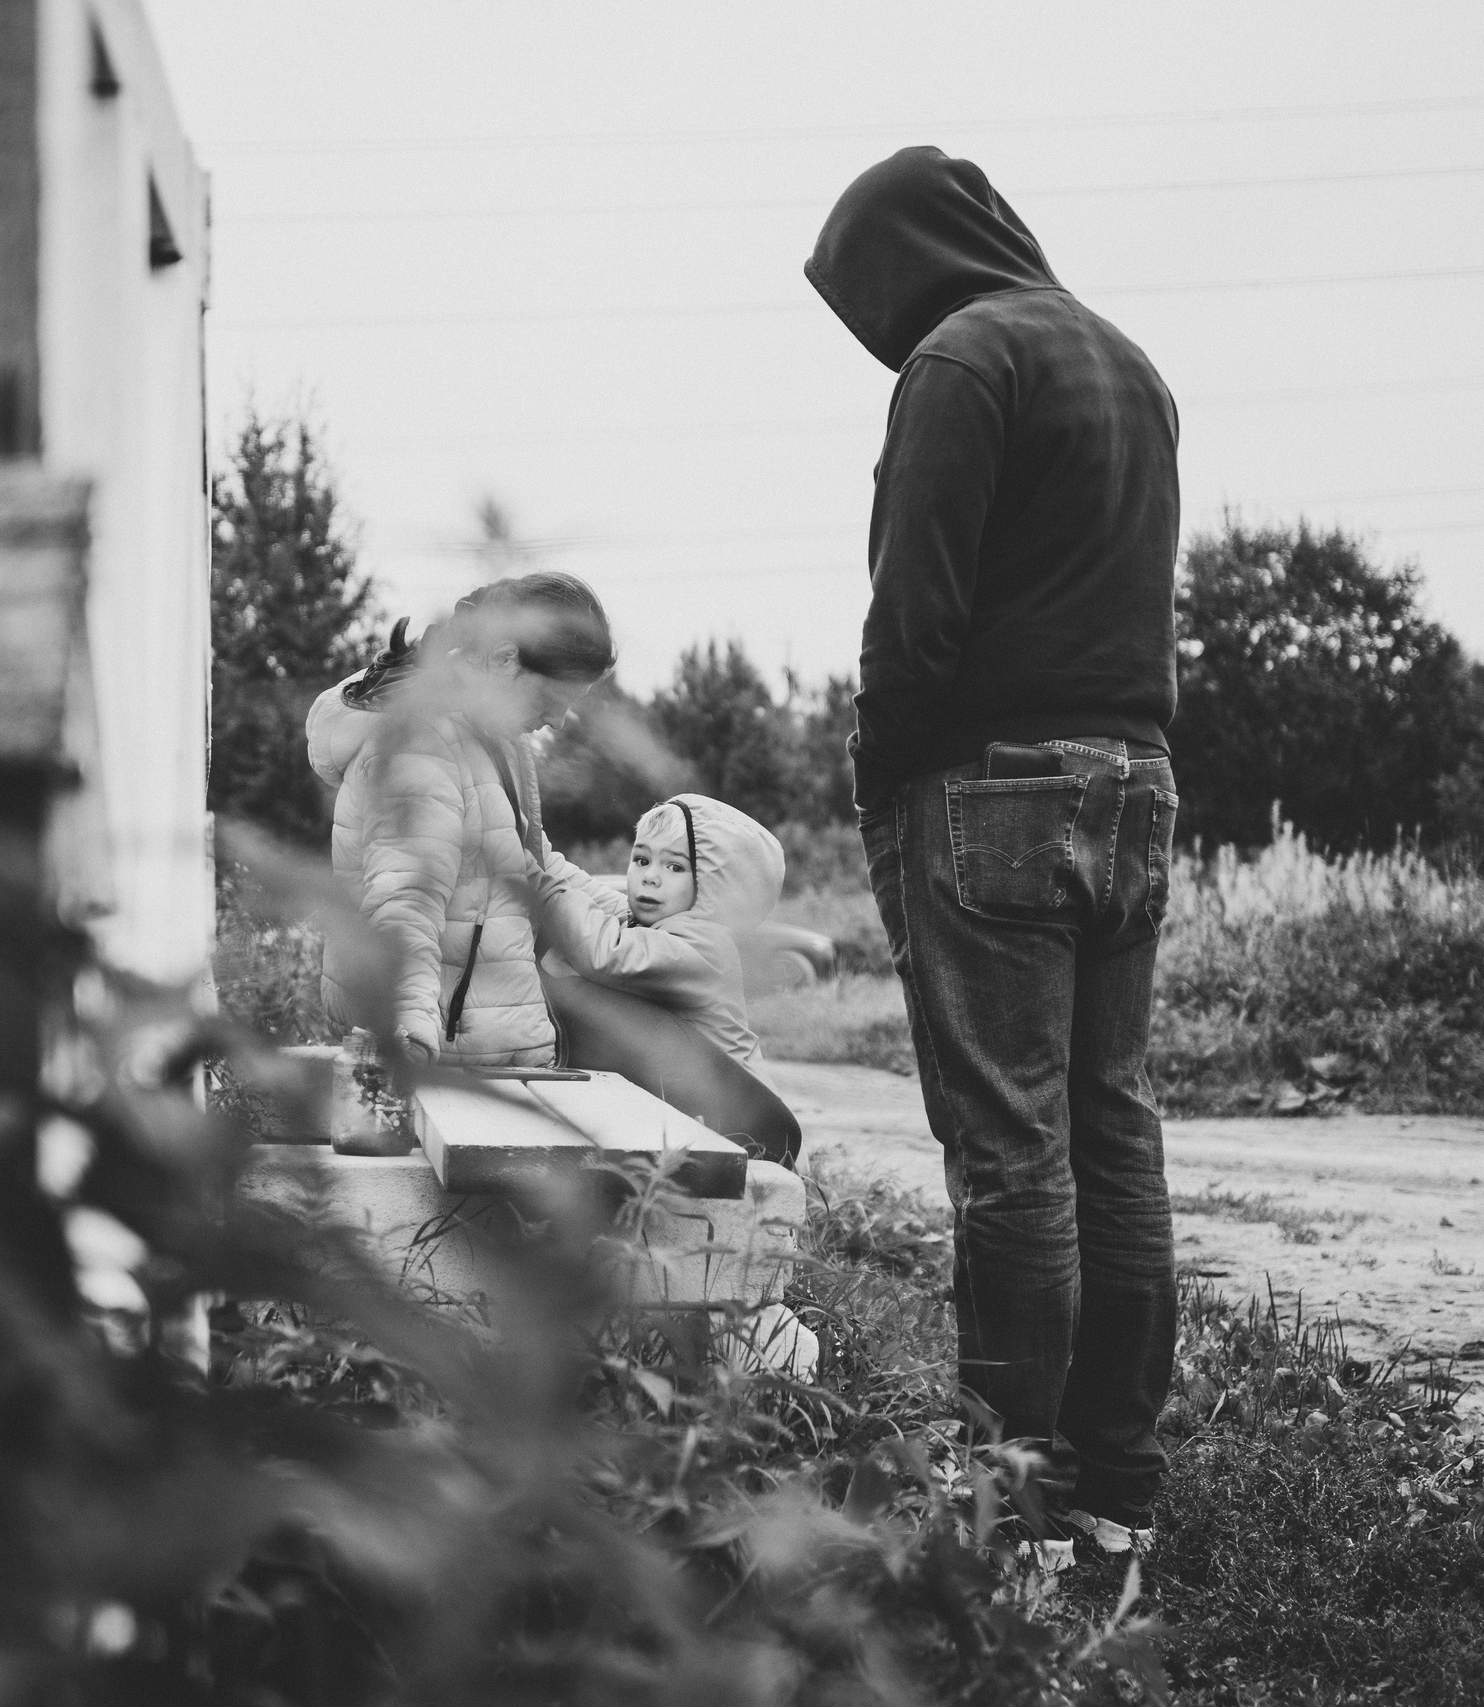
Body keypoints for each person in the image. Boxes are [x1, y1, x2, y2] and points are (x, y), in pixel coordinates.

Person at [806, 147, 1183, 1560]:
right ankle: (1116, 1493)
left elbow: (917, 611)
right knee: (1113, 1127)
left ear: (911, 258)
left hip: (995, 786)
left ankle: (1009, 1507)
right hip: (1135, 773)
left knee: (1013, 1155)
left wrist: (878, 763)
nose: (879, 332)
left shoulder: (961, 362)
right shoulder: (1130, 364)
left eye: (872, 296)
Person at [306, 573, 615, 1067]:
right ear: (503, 658)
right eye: (548, 701)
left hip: (490, 1037)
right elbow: (404, 900)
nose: (556, 722)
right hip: (448, 1053)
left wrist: (632, 916)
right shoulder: (424, 742)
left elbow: (530, 862)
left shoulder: (488, 735)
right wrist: (405, 1034)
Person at [530, 793, 786, 1067]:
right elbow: (575, 882)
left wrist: (539, 885)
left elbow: (604, 953)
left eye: (675, 867)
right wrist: (524, 833)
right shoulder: (652, 923)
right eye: (641, 860)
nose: (650, 876)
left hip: (735, 1104)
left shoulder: (705, 948)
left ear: (713, 886)